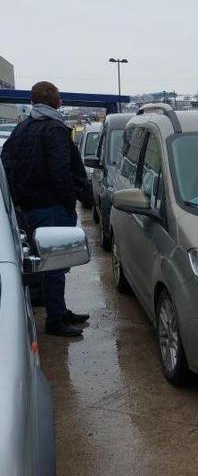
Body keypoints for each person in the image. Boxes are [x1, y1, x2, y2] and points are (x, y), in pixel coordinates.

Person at [1, 81, 93, 337]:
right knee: (56, 263)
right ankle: (55, 320)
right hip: (52, 206)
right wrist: (69, 200)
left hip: (30, 208)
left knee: (48, 263)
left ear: (32, 102)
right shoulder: (55, 129)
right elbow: (61, 171)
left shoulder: (21, 129)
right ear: (57, 101)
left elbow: (6, 163)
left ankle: (59, 310)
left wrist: (18, 199)